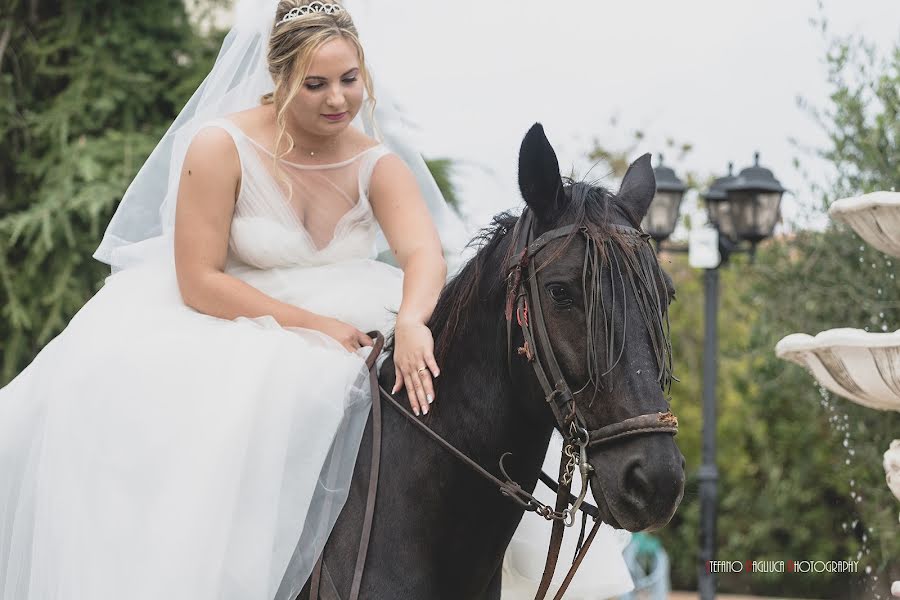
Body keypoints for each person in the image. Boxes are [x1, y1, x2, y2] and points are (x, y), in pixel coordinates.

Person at [0, 1, 455, 598]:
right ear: (279, 77)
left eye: (350, 80)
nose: (338, 100)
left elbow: (424, 255)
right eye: (315, 84)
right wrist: (313, 325)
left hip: (360, 307)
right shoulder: (220, 146)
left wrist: (417, 319)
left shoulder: (378, 164)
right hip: (232, 313)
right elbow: (199, 279)